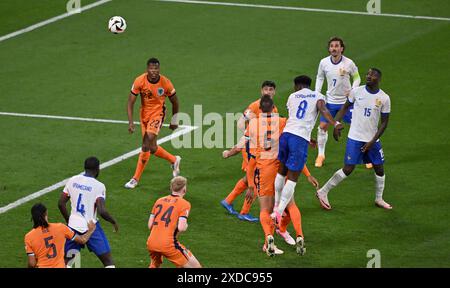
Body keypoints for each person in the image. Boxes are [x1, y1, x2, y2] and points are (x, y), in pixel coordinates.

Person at [246, 95, 318, 256]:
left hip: (264, 169)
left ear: (260, 109)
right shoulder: (283, 121)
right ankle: (299, 234)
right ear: (273, 108)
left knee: (266, 208)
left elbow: (251, 154)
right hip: (282, 167)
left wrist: (251, 183)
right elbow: (295, 137)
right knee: (290, 204)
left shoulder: (253, 123)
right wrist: (309, 141)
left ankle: (268, 238)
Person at [316, 68, 392, 210]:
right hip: (355, 138)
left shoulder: (384, 98)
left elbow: (384, 123)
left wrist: (372, 141)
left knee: (379, 169)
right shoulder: (357, 91)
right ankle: (323, 192)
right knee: (348, 169)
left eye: (373, 75)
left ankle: (379, 199)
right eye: (368, 74)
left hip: (372, 139)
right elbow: (344, 108)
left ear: (379, 79)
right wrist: (336, 124)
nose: (368, 76)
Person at [272, 75, 343, 226]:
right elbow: (323, 110)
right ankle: (279, 212)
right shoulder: (318, 96)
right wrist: (335, 123)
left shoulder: (292, 97)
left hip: (286, 135)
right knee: (292, 178)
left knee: (281, 171)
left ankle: (275, 207)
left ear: (297, 86)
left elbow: (295, 118)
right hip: (300, 139)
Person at [220, 81, 278, 222]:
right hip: (252, 148)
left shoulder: (274, 108)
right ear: (261, 91)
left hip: (259, 148)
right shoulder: (255, 106)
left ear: (274, 92)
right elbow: (240, 122)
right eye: (266, 89)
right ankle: (244, 212)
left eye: (271, 90)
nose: (268, 92)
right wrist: (249, 134)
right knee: (257, 179)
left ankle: (228, 201)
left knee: (249, 179)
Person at [125, 57, 181, 189]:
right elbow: (130, 102)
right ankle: (174, 160)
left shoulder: (165, 83)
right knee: (152, 148)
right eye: (151, 68)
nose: (154, 71)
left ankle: (135, 179)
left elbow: (175, 102)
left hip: (157, 114)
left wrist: (174, 120)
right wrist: (131, 122)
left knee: (146, 143)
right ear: (147, 69)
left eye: (156, 68)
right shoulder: (140, 80)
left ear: (159, 69)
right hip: (144, 114)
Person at [58, 156, 118, 268]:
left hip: (73, 226)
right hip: (91, 227)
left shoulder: (72, 180)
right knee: (108, 262)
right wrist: (113, 221)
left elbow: (61, 203)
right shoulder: (99, 186)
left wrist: (69, 221)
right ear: (97, 169)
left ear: (85, 168)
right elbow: (102, 211)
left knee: (67, 262)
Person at [315, 37, 363, 168]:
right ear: (329, 48)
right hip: (330, 102)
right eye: (331, 46)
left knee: (359, 127)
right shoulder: (324, 63)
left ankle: (365, 156)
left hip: (347, 103)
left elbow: (357, 77)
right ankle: (321, 155)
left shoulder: (349, 63)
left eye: (337, 46)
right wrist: (317, 94)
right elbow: (319, 77)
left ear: (342, 48)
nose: (334, 48)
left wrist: (353, 90)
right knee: (322, 128)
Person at [146, 176, 201, 268]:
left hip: (152, 242)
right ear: (184, 189)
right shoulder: (184, 204)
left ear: (171, 187)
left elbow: (150, 225)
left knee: (155, 266)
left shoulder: (159, 201)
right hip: (168, 244)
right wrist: (186, 225)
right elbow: (181, 228)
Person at [25, 203, 95, 268]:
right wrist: (90, 230)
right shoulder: (60, 227)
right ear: (46, 214)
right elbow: (82, 240)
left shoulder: (29, 237)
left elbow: (32, 263)